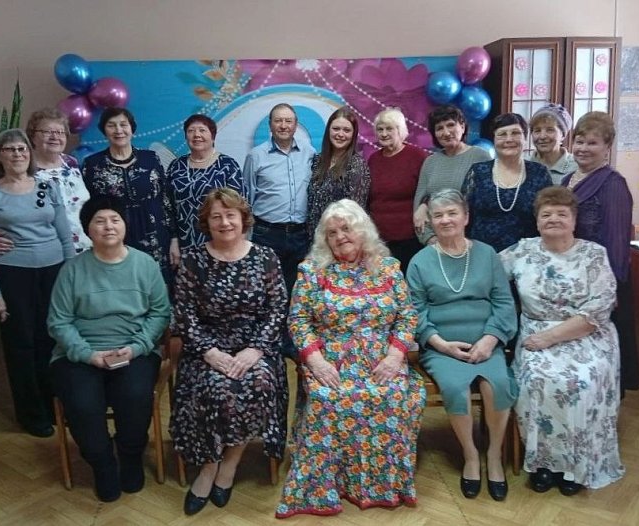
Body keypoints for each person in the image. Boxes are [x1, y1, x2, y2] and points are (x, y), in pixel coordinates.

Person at [276, 199, 425, 518]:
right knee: (328, 399)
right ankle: (326, 485)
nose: (340, 236)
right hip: (330, 360)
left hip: (381, 359)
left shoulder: (388, 268)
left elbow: (407, 315)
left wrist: (395, 355)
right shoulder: (312, 271)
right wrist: (316, 362)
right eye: (332, 233)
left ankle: (379, 483)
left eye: (346, 228)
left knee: (393, 396)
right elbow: (298, 320)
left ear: (362, 230)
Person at [170, 188, 288, 516]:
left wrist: (256, 350)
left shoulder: (265, 257)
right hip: (206, 350)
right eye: (216, 216)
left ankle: (229, 465)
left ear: (243, 219)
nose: (225, 222)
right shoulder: (192, 260)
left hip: (255, 349)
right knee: (216, 388)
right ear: (206, 222)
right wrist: (209, 352)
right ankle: (209, 466)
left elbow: (278, 308)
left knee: (259, 382)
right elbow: (184, 313)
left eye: (231, 215)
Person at [500, 186, 625, 495]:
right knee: (538, 379)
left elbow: (600, 308)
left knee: (582, 381)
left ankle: (575, 464)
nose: (553, 219)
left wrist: (550, 338)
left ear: (574, 219)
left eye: (561, 213)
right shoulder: (523, 250)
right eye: (546, 214)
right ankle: (545, 463)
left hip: (587, 334)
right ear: (537, 220)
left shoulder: (594, 254)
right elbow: (483, 271)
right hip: (535, 331)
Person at [48, 195, 170, 503]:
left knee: (135, 395)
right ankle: (102, 464)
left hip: (134, 351)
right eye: (99, 221)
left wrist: (137, 347)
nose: (108, 226)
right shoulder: (72, 270)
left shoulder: (145, 264)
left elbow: (160, 313)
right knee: (83, 403)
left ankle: (130, 457)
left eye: (115, 219)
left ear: (125, 225)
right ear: (88, 229)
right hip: (80, 354)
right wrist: (87, 354)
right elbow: (58, 322)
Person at [406, 189, 517, 502]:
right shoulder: (419, 261)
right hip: (442, 345)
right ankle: (470, 455)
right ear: (430, 221)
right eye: (438, 215)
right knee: (456, 387)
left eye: (452, 213)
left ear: (466, 217)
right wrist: (440, 345)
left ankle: (492, 456)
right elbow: (414, 311)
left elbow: (503, 302)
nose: (445, 220)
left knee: (497, 385)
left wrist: (490, 340)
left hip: (486, 340)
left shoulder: (487, 254)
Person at [0, 129, 75, 437]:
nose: (17, 154)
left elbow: (65, 237)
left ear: (30, 153)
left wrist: (69, 280)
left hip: (53, 273)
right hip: (13, 277)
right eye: (10, 149)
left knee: (53, 340)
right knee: (22, 346)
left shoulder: (47, 186)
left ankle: (56, 406)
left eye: (22, 149)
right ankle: (32, 414)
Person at [562, 111, 637, 392]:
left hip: (601, 280)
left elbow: (617, 242)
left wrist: (610, 288)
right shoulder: (568, 179)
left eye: (592, 143)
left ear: (607, 147)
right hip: (571, 273)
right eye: (579, 141)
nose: (583, 148)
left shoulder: (612, 184)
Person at [243, 103, 315, 358]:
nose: (283, 126)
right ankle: (266, 343)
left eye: (288, 121)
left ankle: (290, 342)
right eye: (278, 121)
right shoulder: (256, 156)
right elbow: (247, 198)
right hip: (267, 233)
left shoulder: (309, 153)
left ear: (295, 125)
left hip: (299, 234)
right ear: (270, 125)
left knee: (296, 291)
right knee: (266, 291)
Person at [82, 107, 178, 286]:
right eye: (112, 125)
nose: (118, 130)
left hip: (156, 237)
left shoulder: (151, 158)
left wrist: (174, 238)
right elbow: (89, 209)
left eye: (123, 125)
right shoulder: (93, 165)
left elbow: (166, 199)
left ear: (132, 129)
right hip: (115, 238)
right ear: (104, 131)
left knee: (157, 289)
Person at [0, 108, 91, 255]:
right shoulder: (19, 168)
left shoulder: (72, 163)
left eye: (60, 132)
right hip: (44, 253)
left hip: (84, 247)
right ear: (32, 137)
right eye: (47, 132)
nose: (55, 137)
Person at [462, 112, 552, 252]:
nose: (509, 139)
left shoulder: (539, 173)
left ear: (525, 138)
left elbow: (549, 215)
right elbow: (464, 214)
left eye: (515, 133)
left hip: (527, 256)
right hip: (482, 255)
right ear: (493, 139)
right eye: (502, 134)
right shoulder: (478, 172)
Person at [412, 104, 491, 245]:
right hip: (435, 243)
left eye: (450, 125)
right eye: (439, 128)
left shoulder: (480, 157)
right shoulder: (430, 162)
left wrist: (466, 245)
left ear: (462, 126)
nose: (446, 132)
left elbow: (487, 206)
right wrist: (430, 240)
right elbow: (419, 210)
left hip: (471, 242)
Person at [166, 114, 244, 251]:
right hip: (183, 240)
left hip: (220, 239)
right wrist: (173, 239)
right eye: (191, 131)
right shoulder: (176, 166)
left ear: (213, 136)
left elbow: (240, 207)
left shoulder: (228, 165)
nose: (196, 135)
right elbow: (167, 206)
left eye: (202, 130)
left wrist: (238, 242)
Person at [368, 107, 428, 273]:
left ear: (400, 130)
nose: (384, 134)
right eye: (380, 129)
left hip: (411, 238)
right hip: (379, 240)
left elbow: (430, 190)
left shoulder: (417, 156)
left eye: (389, 129)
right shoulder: (373, 159)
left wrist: (425, 205)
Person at [306, 107, 370, 240]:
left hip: (340, 239)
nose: (340, 134)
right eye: (336, 129)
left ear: (353, 134)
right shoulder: (318, 160)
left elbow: (355, 213)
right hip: (314, 239)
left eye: (346, 130)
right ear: (328, 130)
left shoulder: (356, 165)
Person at [527, 103, 578, 184]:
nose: (542, 136)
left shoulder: (577, 166)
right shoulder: (524, 166)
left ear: (562, 135)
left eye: (550, 130)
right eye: (537, 131)